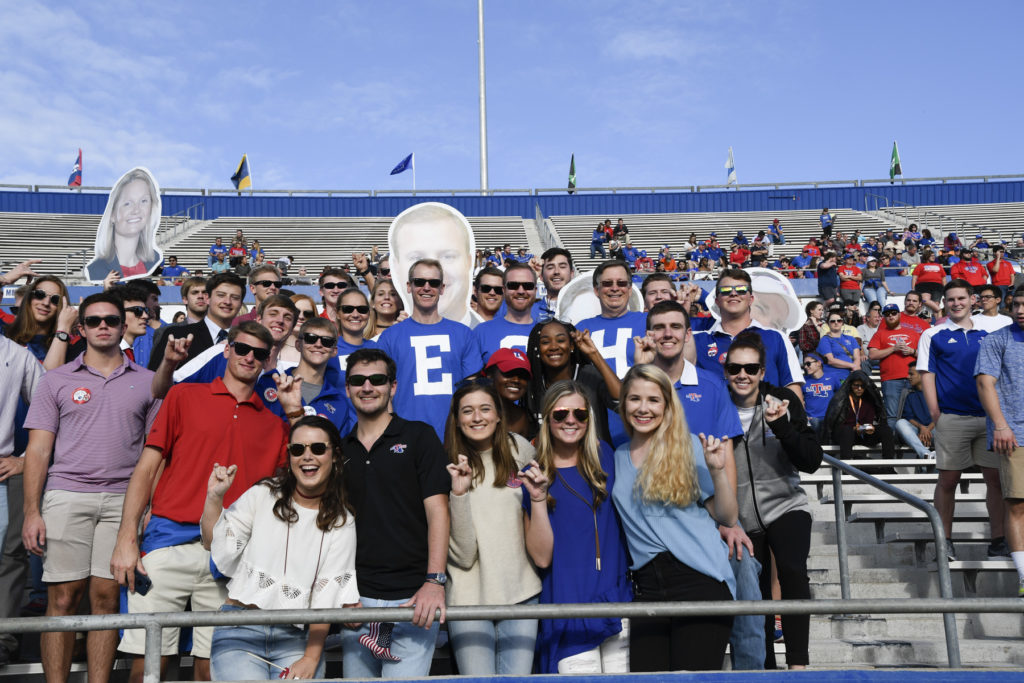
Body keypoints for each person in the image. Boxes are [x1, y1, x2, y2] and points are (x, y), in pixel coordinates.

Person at [110, 322, 299, 683]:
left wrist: (293, 412)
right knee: (148, 667)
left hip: (230, 555)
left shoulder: (275, 426)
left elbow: (310, 472)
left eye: (260, 354)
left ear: (268, 360)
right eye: (242, 349)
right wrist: (126, 537)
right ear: (226, 350)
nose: (249, 358)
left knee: (213, 669)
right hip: (166, 542)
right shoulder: (184, 396)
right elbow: (147, 468)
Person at [22, 292, 160, 683]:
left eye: (112, 320)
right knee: (62, 599)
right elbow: (38, 450)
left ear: (122, 327)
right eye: (95, 320)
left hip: (123, 500)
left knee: (106, 600)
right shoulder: (56, 380)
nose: (103, 326)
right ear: (80, 329)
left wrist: (148, 506)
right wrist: (32, 511)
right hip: (66, 494)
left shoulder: (149, 383)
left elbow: (155, 454)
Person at [633, 301, 760, 669]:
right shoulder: (635, 386)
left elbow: (727, 456)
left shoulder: (710, 386)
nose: (667, 334)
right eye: (659, 327)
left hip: (708, 517)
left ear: (688, 334)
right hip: (654, 522)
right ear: (648, 334)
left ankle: (752, 677)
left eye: (676, 326)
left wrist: (729, 521)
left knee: (746, 590)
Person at [202, 416, 360, 680]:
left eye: (318, 448)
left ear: (335, 456)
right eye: (298, 449)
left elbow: (327, 597)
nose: (307, 456)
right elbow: (215, 544)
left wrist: (311, 657)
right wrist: (214, 497)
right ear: (290, 456)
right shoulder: (263, 494)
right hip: (240, 627)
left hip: (297, 637)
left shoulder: (343, 521)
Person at [611, 364, 736, 671]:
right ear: (623, 402)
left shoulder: (690, 446)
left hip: (699, 579)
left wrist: (718, 471)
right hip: (648, 587)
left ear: (667, 405)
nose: (643, 408)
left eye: (653, 400)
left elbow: (728, 517)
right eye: (634, 399)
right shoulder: (616, 455)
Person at [338, 348, 451, 678]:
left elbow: (439, 512)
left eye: (377, 379)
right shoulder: (340, 449)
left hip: (412, 598)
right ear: (348, 388)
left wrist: (434, 581)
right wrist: (342, 592)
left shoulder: (419, 436)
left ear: (393, 386)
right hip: (356, 599)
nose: (368, 386)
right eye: (358, 380)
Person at [724, 333, 821, 669]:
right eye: (735, 367)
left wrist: (782, 427)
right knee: (756, 593)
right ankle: (763, 667)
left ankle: (798, 663)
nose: (743, 374)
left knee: (793, 571)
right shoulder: (717, 406)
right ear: (725, 371)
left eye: (751, 368)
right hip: (739, 517)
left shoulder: (782, 401)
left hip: (786, 504)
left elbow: (811, 460)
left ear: (763, 372)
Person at [521, 380, 632, 673]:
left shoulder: (605, 456)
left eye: (580, 414)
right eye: (560, 414)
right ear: (546, 419)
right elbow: (542, 557)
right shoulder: (533, 475)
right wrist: (538, 498)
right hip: (569, 606)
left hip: (616, 600)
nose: (571, 420)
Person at [443, 381, 540, 675]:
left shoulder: (519, 449)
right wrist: (458, 495)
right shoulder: (445, 464)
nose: (477, 418)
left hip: (521, 595)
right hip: (468, 601)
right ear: (457, 420)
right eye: (467, 411)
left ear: (498, 414)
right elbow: (462, 556)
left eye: (485, 409)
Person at [918, 280, 1008, 561]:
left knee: (996, 480)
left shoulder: (991, 333)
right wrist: (936, 414)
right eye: (951, 299)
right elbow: (927, 375)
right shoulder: (933, 334)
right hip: (952, 417)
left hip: (989, 418)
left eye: (961, 298)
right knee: (948, 480)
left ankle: (999, 540)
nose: (956, 303)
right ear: (944, 302)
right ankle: (944, 541)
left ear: (973, 300)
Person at [377, 259, 479, 439]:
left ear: (442, 288)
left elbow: (472, 392)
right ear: (409, 286)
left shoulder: (463, 334)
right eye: (419, 282)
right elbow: (383, 395)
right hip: (405, 438)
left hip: (454, 438)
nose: (426, 287)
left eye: (433, 282)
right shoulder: (389, 337)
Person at [974, 286, 1024, 597]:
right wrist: (1001, 425)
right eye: (1016, 304)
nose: (1020, 310)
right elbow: (984, 383)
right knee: (1018, 504)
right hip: (1016, 433)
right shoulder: (997, 340)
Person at [693, 269, 803, 398]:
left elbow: (793, 389)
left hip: (766, 417)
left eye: (741, 290)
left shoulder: (777, 338)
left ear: (751, 299)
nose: (734, 293)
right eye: (726, 290)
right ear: (717, 301)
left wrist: (797, 418)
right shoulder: (697, 341)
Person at [525, 319, 621, 445]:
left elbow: (622, 400)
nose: (554, 347)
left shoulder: (590, 374)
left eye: (560, 340)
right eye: (545, 342)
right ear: (537, 348)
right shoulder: (533, 385)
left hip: (597, 459)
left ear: (571, 346)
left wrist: (593, 354)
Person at [255, 317, 355, 435]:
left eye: (327, 341)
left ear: (334, 351)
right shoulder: (271, 382)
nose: (318, 344)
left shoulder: (339, 402)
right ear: (298, 344)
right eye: (310, 338)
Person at [389, 203, 475, 324]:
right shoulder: (391, 338)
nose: (432, 273)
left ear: (469, 262)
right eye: (416, 258)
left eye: (448, 256)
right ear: (396, 268)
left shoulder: (484, 337)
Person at [148, 273, 246, 370]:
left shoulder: (246, 340)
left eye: (235, 298)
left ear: (241, 303)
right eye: (221, 295)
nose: (227, 302)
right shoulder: (174, 335)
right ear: (207, 298)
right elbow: (153, 378)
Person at [86, 168, 163, 281]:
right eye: (127, 203)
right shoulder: (96, 269)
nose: (136, 210)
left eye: (144, 201)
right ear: (112, 214)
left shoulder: (155, 261)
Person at [472, 262, 539, 363]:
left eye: (527, 285)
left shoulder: (544, 332)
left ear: (535, 290)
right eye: (513, 285)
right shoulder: (481, 332)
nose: (521, 291)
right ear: (504, 290)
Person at [869, 303, 922, 427]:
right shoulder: (880, 333)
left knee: (916, 413)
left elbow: (925, 355)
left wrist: (912, 351)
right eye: (887, 314)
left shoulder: (914, 333)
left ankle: (914, 442)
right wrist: (893, 348)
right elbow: (872, 355)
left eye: (893, 313)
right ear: (884, 318)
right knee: (892, 415)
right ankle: (893, 444)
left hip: (913, 379)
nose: (891, 316)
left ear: (899, 314)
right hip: (891, 380)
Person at [825, 371, 897, 462]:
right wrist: (855, 428)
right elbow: (835, 425)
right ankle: (846, 468)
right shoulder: (841, 400)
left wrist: (869, 428)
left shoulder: (868, 401)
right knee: (847, 430)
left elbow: (868, 422)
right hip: (845, 435)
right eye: (856, 385)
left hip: (862, 433)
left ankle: (889, 465)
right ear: (850, 385)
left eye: (862, 386)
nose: (859, 388)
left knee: (886, 430)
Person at [483, 348, 536, 440]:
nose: (516, 380)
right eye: (509, 373)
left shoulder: (522, 417)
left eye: (522, 375)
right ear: (490, 375)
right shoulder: (468, 410)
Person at [893, 366, 937, 459]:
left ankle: (933, 457)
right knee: (900, 423)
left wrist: (927, 429)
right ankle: (926, 454)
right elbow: (908, 417)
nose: (908, 377)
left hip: (933, 429)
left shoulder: (936, 391)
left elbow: (941, 415)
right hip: (916, 431)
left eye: (911, 374)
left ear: (921, 375)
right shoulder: (908, 393)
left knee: (947, 427)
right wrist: (921, 428)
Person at [801, 353, 843, 439]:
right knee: (815, 423)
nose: (805, 367)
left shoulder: (832, 377)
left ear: (819, 363)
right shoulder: (803, 381)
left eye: (808, 363)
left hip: (828, 418)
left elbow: (841, 395)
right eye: (804, 364)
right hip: (812, 419)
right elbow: (798, 400)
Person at [817, 311, 863, 380]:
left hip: (851, 375)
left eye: (839, 321)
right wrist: (852, 365)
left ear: (842, 323)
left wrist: (855, 367)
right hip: (834, 376)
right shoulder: (825, 340)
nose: (836, 322)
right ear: (828, 324)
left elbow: (857, 357)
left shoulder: (851, 338)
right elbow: (830, 360)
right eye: (832, 321)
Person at [536, 247, 576, 321]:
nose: (556, 271)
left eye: (562, 267)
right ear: (541, 276)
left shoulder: (585, 309)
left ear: (572, 273)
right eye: (550, 267)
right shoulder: (529, 311)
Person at [280, 294, 317, 365]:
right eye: (296, 311)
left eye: (307, 314)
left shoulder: (318, 350)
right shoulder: (272, 347)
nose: (301, 316)